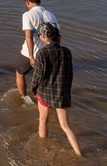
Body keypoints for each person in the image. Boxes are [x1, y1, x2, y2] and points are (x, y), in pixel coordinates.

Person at [31, 22, 82, 156]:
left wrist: (34, 89)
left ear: (43, 36)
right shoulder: (66, 51)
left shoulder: (42, 53)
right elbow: (69, 73)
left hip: (44, 92)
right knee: (65, 126)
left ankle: (43, 148)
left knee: (43, 121)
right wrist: (66, 90)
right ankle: (78, 153)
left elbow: (38, 76)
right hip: (61, 94)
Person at [16, 0, 59, 102]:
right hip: (49, 51)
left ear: (28, 2)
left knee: (20, 73)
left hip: (32, 52)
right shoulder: (51, 14)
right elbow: (57, 36)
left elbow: (28, 36)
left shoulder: (28, 15)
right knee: (45, 77)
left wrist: (31, 56)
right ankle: (45, 99)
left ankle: (24, 97)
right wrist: (56, 51)